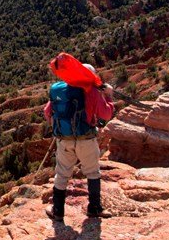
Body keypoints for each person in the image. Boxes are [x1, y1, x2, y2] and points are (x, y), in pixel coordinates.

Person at [43, 63, 115, 221]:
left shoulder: (60, 89)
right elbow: (106, 114)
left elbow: (47, 112)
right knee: (93, 172)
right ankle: (94, 208)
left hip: (64, 140)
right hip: (86, 139)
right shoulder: (91, 91)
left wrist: (61, 128)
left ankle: (57, 211)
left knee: (61, 174)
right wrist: (108, 96)